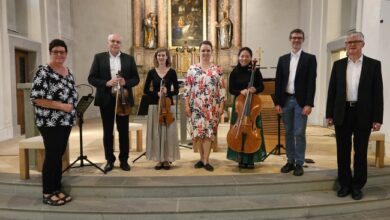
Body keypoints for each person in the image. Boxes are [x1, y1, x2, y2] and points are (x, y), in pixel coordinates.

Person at [326, 32, 383, 200]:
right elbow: (332, 92)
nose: (352, 45)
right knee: (342, 151)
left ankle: (357, 185)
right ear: (345, 45)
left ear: (362, 44)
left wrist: (377, 118)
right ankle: (344, 184)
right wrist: (329, 114)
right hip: (342, 112)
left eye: (356, 41)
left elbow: (377, 93)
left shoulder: (373, 65)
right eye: (349, 42)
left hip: (363, 113)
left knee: (360, 151)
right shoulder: (338, 65)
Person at [30, 39, 78, 206]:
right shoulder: (43, 71)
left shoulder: (67, 71)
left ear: (66, 54)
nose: (59, 55)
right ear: (50, 52)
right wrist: (62, 106)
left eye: (62, 52)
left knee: (58, 154)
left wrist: (71, 108)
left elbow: (72, 92)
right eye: (56, 51)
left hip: (66, 120)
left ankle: (56, 188)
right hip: (49, 121)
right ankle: (47, 192)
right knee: (52, 155)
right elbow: (37, 98)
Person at [88, 33, 140, 172]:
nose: (115, 44)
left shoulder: (128, 59)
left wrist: (126, 82)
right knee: (108, 131)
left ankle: (124, 160)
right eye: (112, 41)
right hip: (106, 98)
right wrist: (107, 83)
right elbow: (91, 78)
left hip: (123, 99)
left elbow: (136, 79)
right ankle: (109, 160)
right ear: (108, 43)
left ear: (121, 44)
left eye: (118, 42)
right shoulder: (99, 57)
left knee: (123, 131)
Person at [274, 28, 317, 176]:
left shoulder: (310, 59)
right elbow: (278, 82)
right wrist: (277, 103)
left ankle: (299, 163)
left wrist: (309, 104)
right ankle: (290, 161)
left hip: (301, 102)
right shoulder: (283, 59)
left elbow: (312, 83)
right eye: (294, 38)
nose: (296, 40)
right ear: (290, 39)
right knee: (289, 132)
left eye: (299, 38)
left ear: (303, 40)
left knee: (299, 133)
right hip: (286, 100)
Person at [184, 40, 226, 172]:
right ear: (199, 52)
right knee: (198, 133)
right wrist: (186, 106)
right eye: (203, 50)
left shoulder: (217, 70)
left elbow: (222, 90)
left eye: (208, 50)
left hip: (211, 106)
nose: (205, 53)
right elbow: (187, 89)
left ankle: (206, 160)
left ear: (211, 52)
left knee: (208, 133)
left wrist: (221, 106)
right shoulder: (192, 69)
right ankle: (201, 158)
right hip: (196, 106)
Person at [227, 47, 266, 169]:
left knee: (253, 131)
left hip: (252, 105)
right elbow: (231, 89)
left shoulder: (256, 71)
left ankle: (251, 159)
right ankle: (240, 158)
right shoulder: (234, 72)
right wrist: (240, 91)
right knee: (237, 132)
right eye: (242, 56)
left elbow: (261, 86)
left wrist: (255, 89)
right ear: (238, 57)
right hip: (239, 105)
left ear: (250, 58)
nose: (244, 58)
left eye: (247, 56)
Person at [143, 48, 180, 170]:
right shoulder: (151, 72)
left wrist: (167, 91)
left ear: (167, 57)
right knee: (157, 132)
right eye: (159, 55)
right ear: (156, 57)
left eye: (163, 55)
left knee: (169, 133)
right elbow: (146, 90)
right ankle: (159, 159)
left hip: (168, 106)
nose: (161, 57)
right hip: (155, 105)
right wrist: (156, 93)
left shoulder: (172, 72)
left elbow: (177, 90)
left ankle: (167, 159)